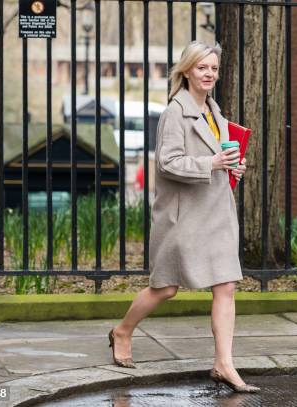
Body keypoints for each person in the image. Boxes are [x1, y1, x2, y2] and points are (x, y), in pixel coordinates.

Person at [108, 40, 259, 393]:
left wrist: (233, 165)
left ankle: (223, 363)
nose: (209, 74)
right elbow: (167, 162)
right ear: (187, 70)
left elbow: (217, 152)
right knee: (166, 288)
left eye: (214, 69)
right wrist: (212, 163)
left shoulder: (214, 109)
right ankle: (122, 331)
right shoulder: (175, 112)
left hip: (217, 210)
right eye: (202, 67)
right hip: (183, 216)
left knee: (225, 285)